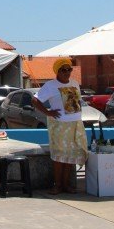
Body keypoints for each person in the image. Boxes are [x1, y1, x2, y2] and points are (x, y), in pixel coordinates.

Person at [31, 58, 88, 195]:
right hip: (60, 125)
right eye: (63, 70)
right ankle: (57, 185)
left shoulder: (75, 83)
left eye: (69, 69)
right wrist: (48, 112)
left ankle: (66, 185)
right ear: (57, 71)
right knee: (59, 156)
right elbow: (35, 100)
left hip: (75, 123)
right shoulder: (51, 85)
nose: (67, 72)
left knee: (70, 156)